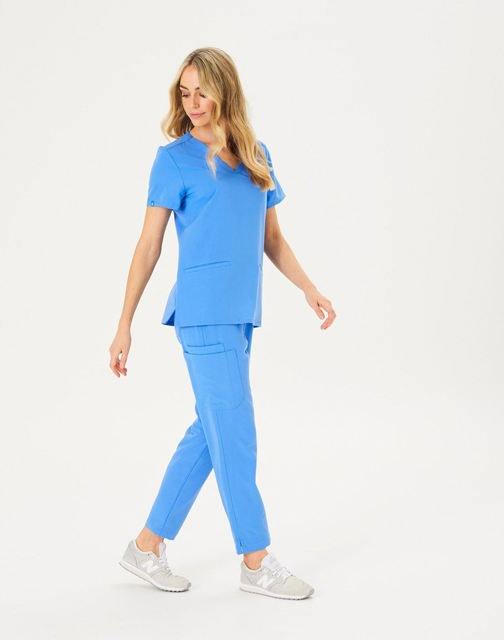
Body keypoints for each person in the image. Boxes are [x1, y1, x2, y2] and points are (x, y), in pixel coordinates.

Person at [109, 47, 336, 600]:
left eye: (202, 92)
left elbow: (272, 238)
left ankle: (146, 546)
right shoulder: (174, 160)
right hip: (202, 315)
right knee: (235, 431)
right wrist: (124, 323)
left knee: (211, 432)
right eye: (184, 93)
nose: (193, 103)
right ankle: (255, 559)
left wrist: (308, 287)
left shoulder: (257, 155)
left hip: (240, 316)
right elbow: (148, 245)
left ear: (224, 91)